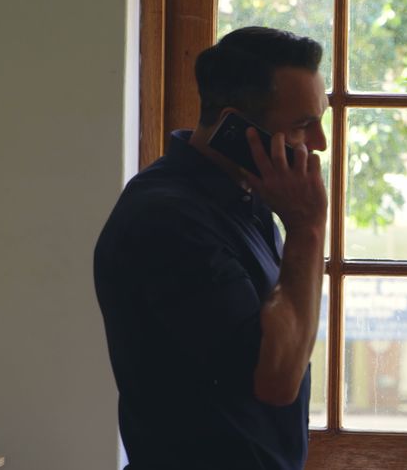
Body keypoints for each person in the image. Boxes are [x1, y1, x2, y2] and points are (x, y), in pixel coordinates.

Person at [94, 26, 329, 469]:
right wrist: (308, 227)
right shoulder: (167, 220)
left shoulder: (250, 201)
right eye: (302, 125)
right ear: (237, 128)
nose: (319, 144)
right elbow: (276, 381)